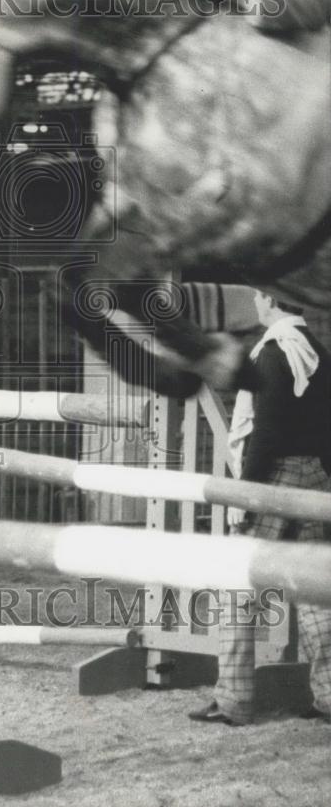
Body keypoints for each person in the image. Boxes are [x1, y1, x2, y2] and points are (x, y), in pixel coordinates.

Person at [190, 290, 331, 727]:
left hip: (274, 481)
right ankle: (328, 698)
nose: (254, 300)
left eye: (257, 293)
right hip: (315, 479)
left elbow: (265, 435)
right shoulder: (319, 351)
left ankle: (234, 699)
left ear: (269, 300)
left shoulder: (272, 353)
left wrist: (245, 495)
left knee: (237, 587)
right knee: (315, 596)